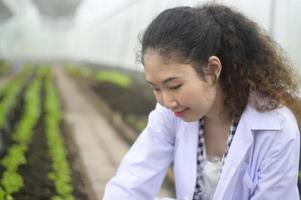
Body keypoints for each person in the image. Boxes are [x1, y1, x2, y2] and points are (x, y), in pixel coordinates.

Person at [103, 3, 301, 200]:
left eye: (174, 86)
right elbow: (131, 183)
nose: (166, 101)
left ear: (212, 69)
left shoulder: (276, 130)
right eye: (155, 88)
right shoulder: (170, 115)